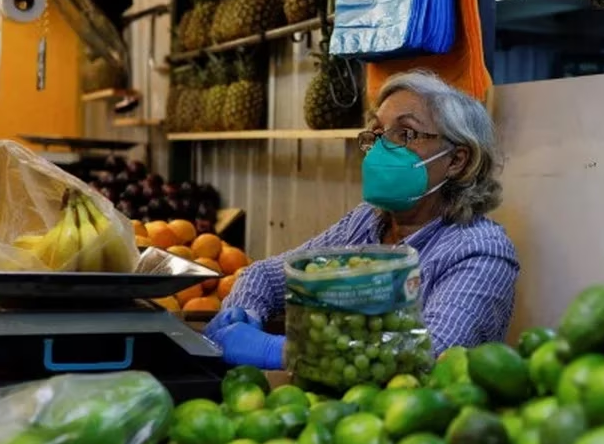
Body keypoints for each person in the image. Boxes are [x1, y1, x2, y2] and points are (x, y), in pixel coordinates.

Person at [203, 71, 519, 369]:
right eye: (378, 132)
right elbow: (267, 276)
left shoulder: (480, 249)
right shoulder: (367, 222)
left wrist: (282, 351)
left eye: (405, 133)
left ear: (456, 160)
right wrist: (244, 313)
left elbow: (427, 353)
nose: (381, 148)